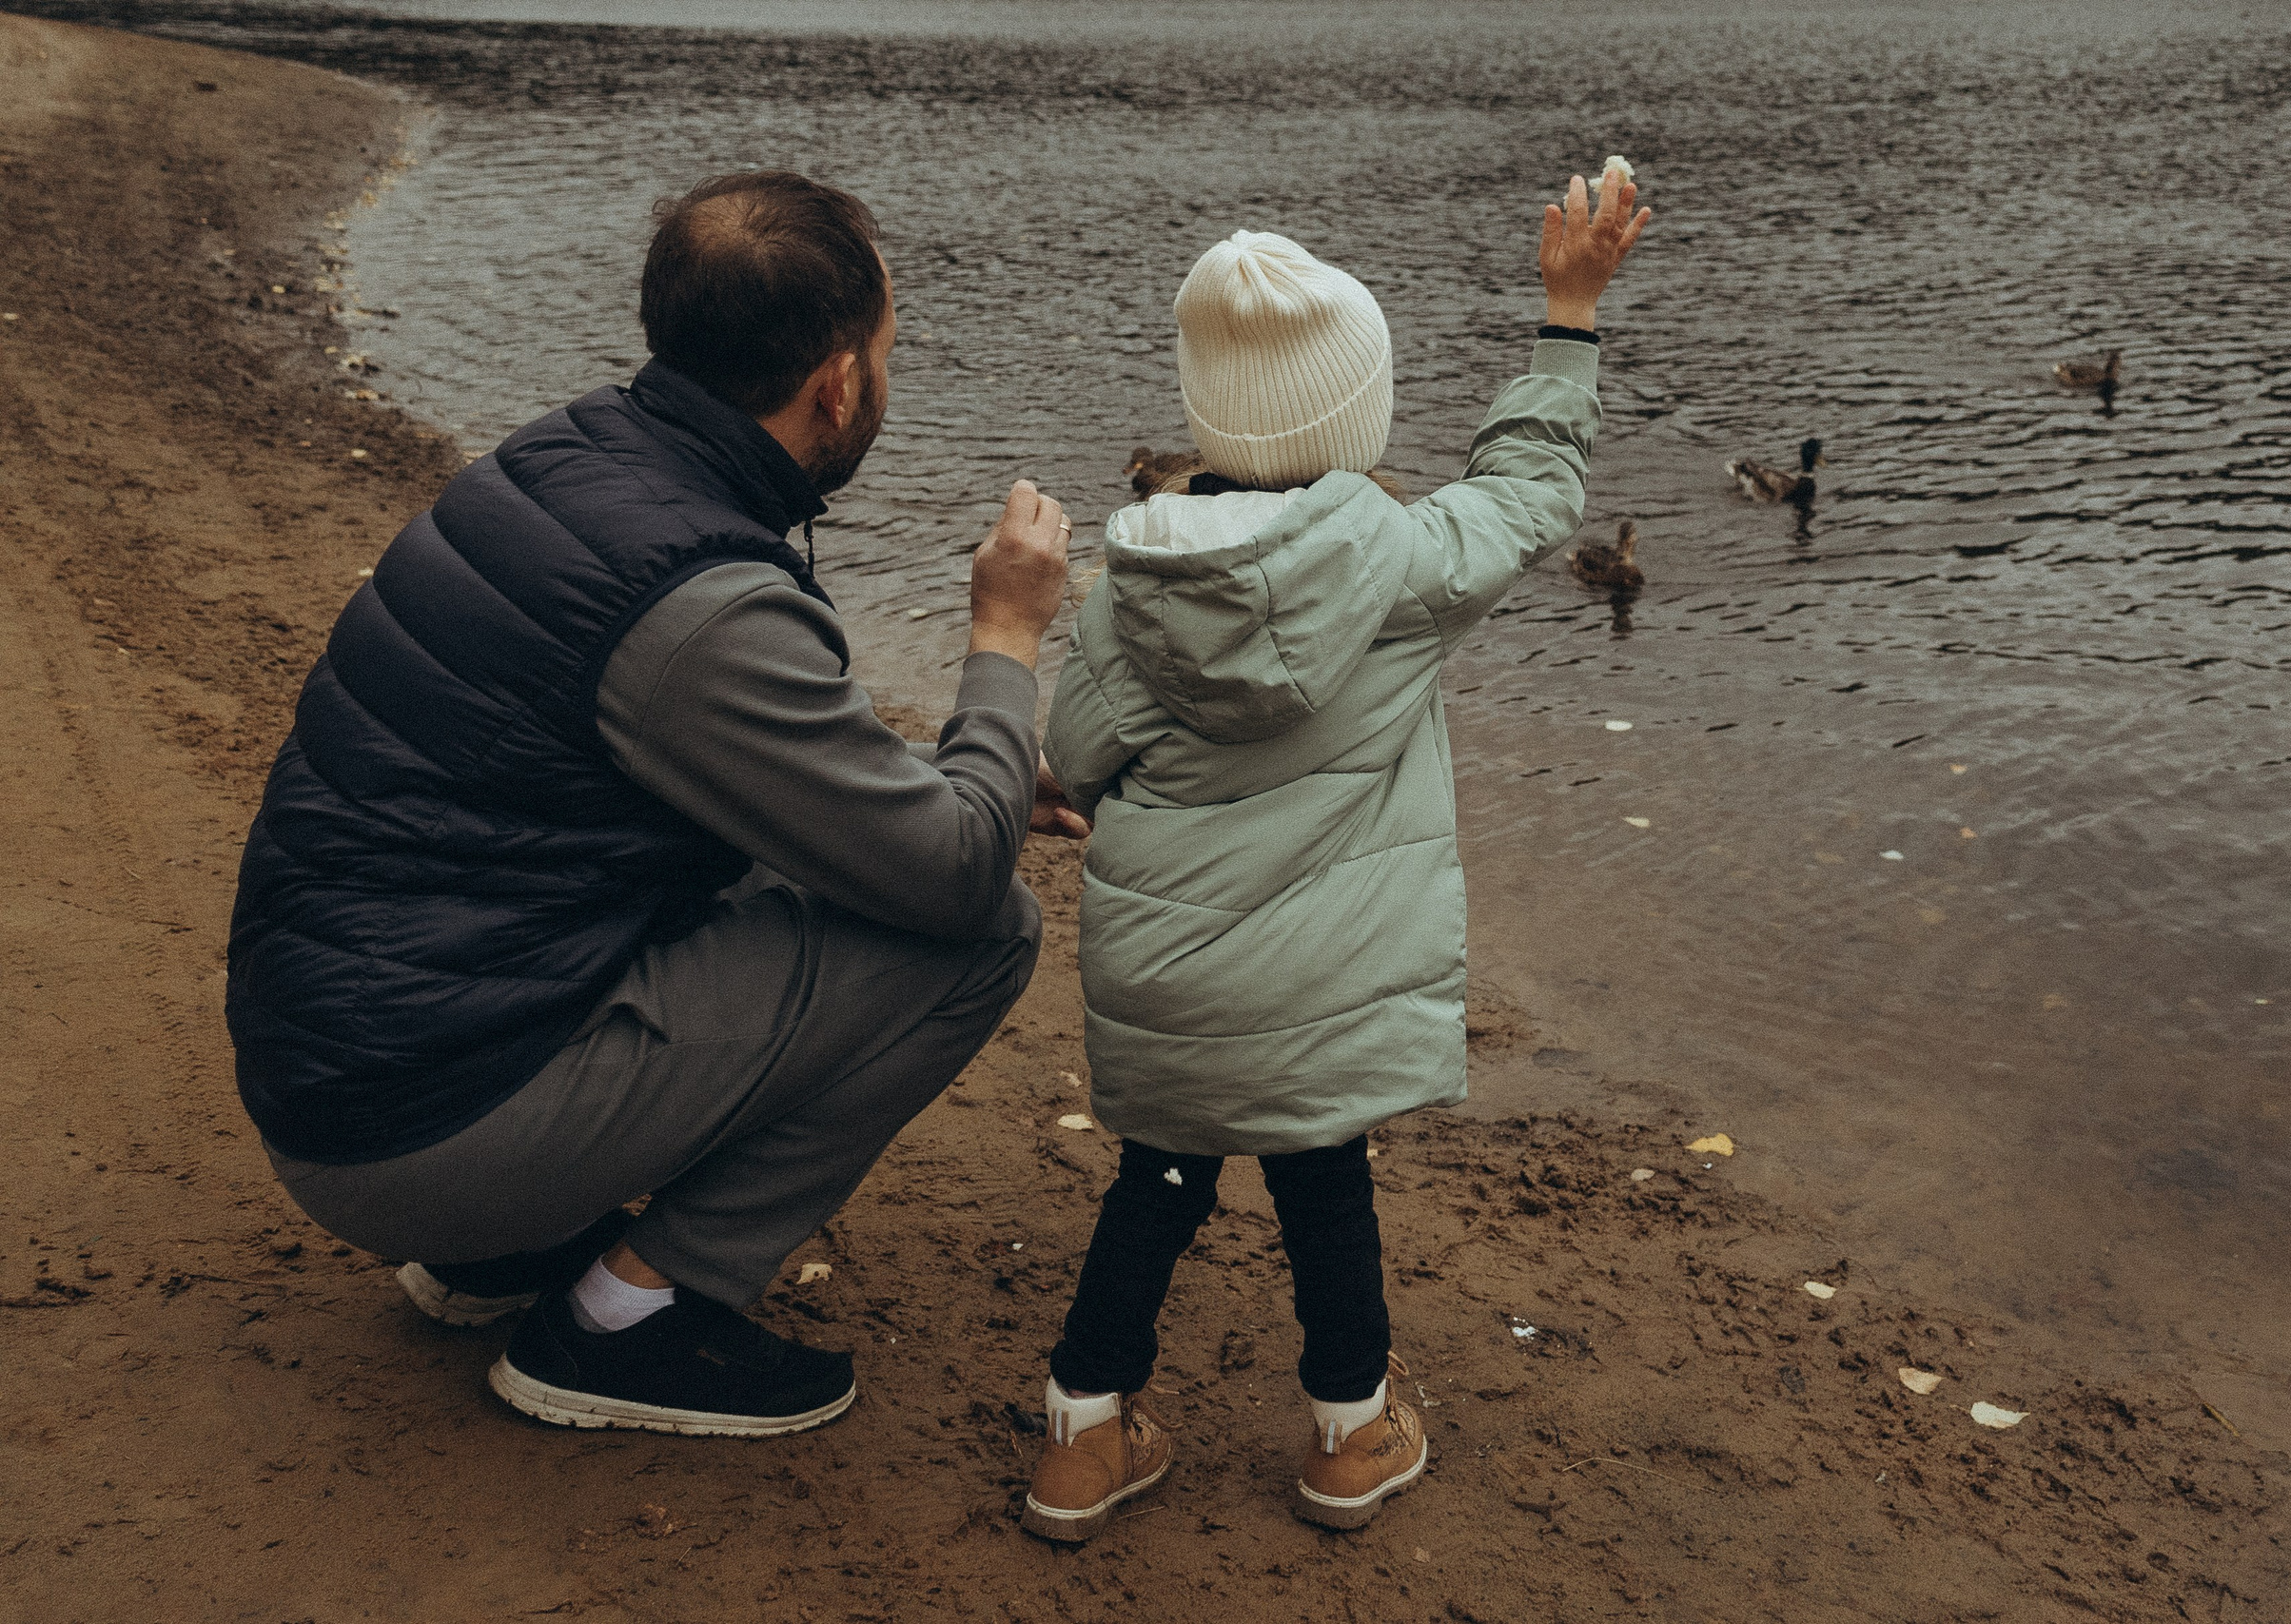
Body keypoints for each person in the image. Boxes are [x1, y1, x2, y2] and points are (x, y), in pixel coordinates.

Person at [224, 169, 1085, 1438]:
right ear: (838, 383)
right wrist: (1004, 644)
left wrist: (978, 768)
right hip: (416, 1131)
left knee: (839, 849)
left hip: (344, 1065)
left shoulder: (580, 456)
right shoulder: (701, 605)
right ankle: (620, 1324)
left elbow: (736, 761)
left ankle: (502, 1250)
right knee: (985, 929)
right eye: (889, 351)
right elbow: (947, 874)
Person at [1016, 166, 1651, 1539]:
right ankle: (1350, 1441)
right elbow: (1534, 489)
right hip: (1318, 992)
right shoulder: (1411, 564)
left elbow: (1080, 752)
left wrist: (1051, 771)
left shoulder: (1131, 593)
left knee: (1159, 1185)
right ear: (1358, 415)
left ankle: (1079, 1436)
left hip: (1173, 988)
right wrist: (1567, 313)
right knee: (1324, 1185)